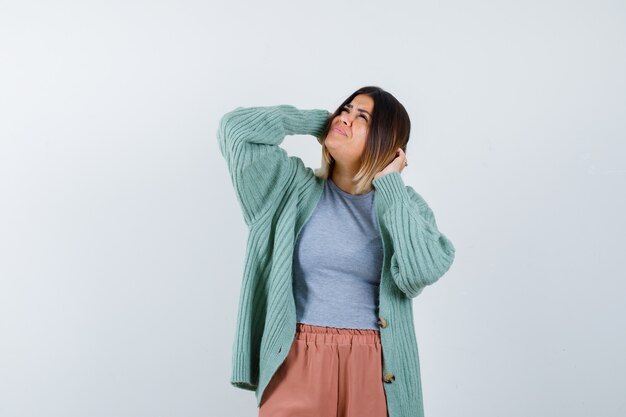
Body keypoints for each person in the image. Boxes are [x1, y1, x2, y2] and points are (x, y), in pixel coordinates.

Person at [217, 86, 456, 417]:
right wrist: (318, 121)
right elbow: (235, 129)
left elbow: (420, 272)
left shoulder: (406, 206)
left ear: (387, 143)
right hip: (297, 358)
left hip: (375, 366)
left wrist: (391, 187)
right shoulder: (289, 189)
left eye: (363, 117)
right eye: (345, 109)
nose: (345, 116)